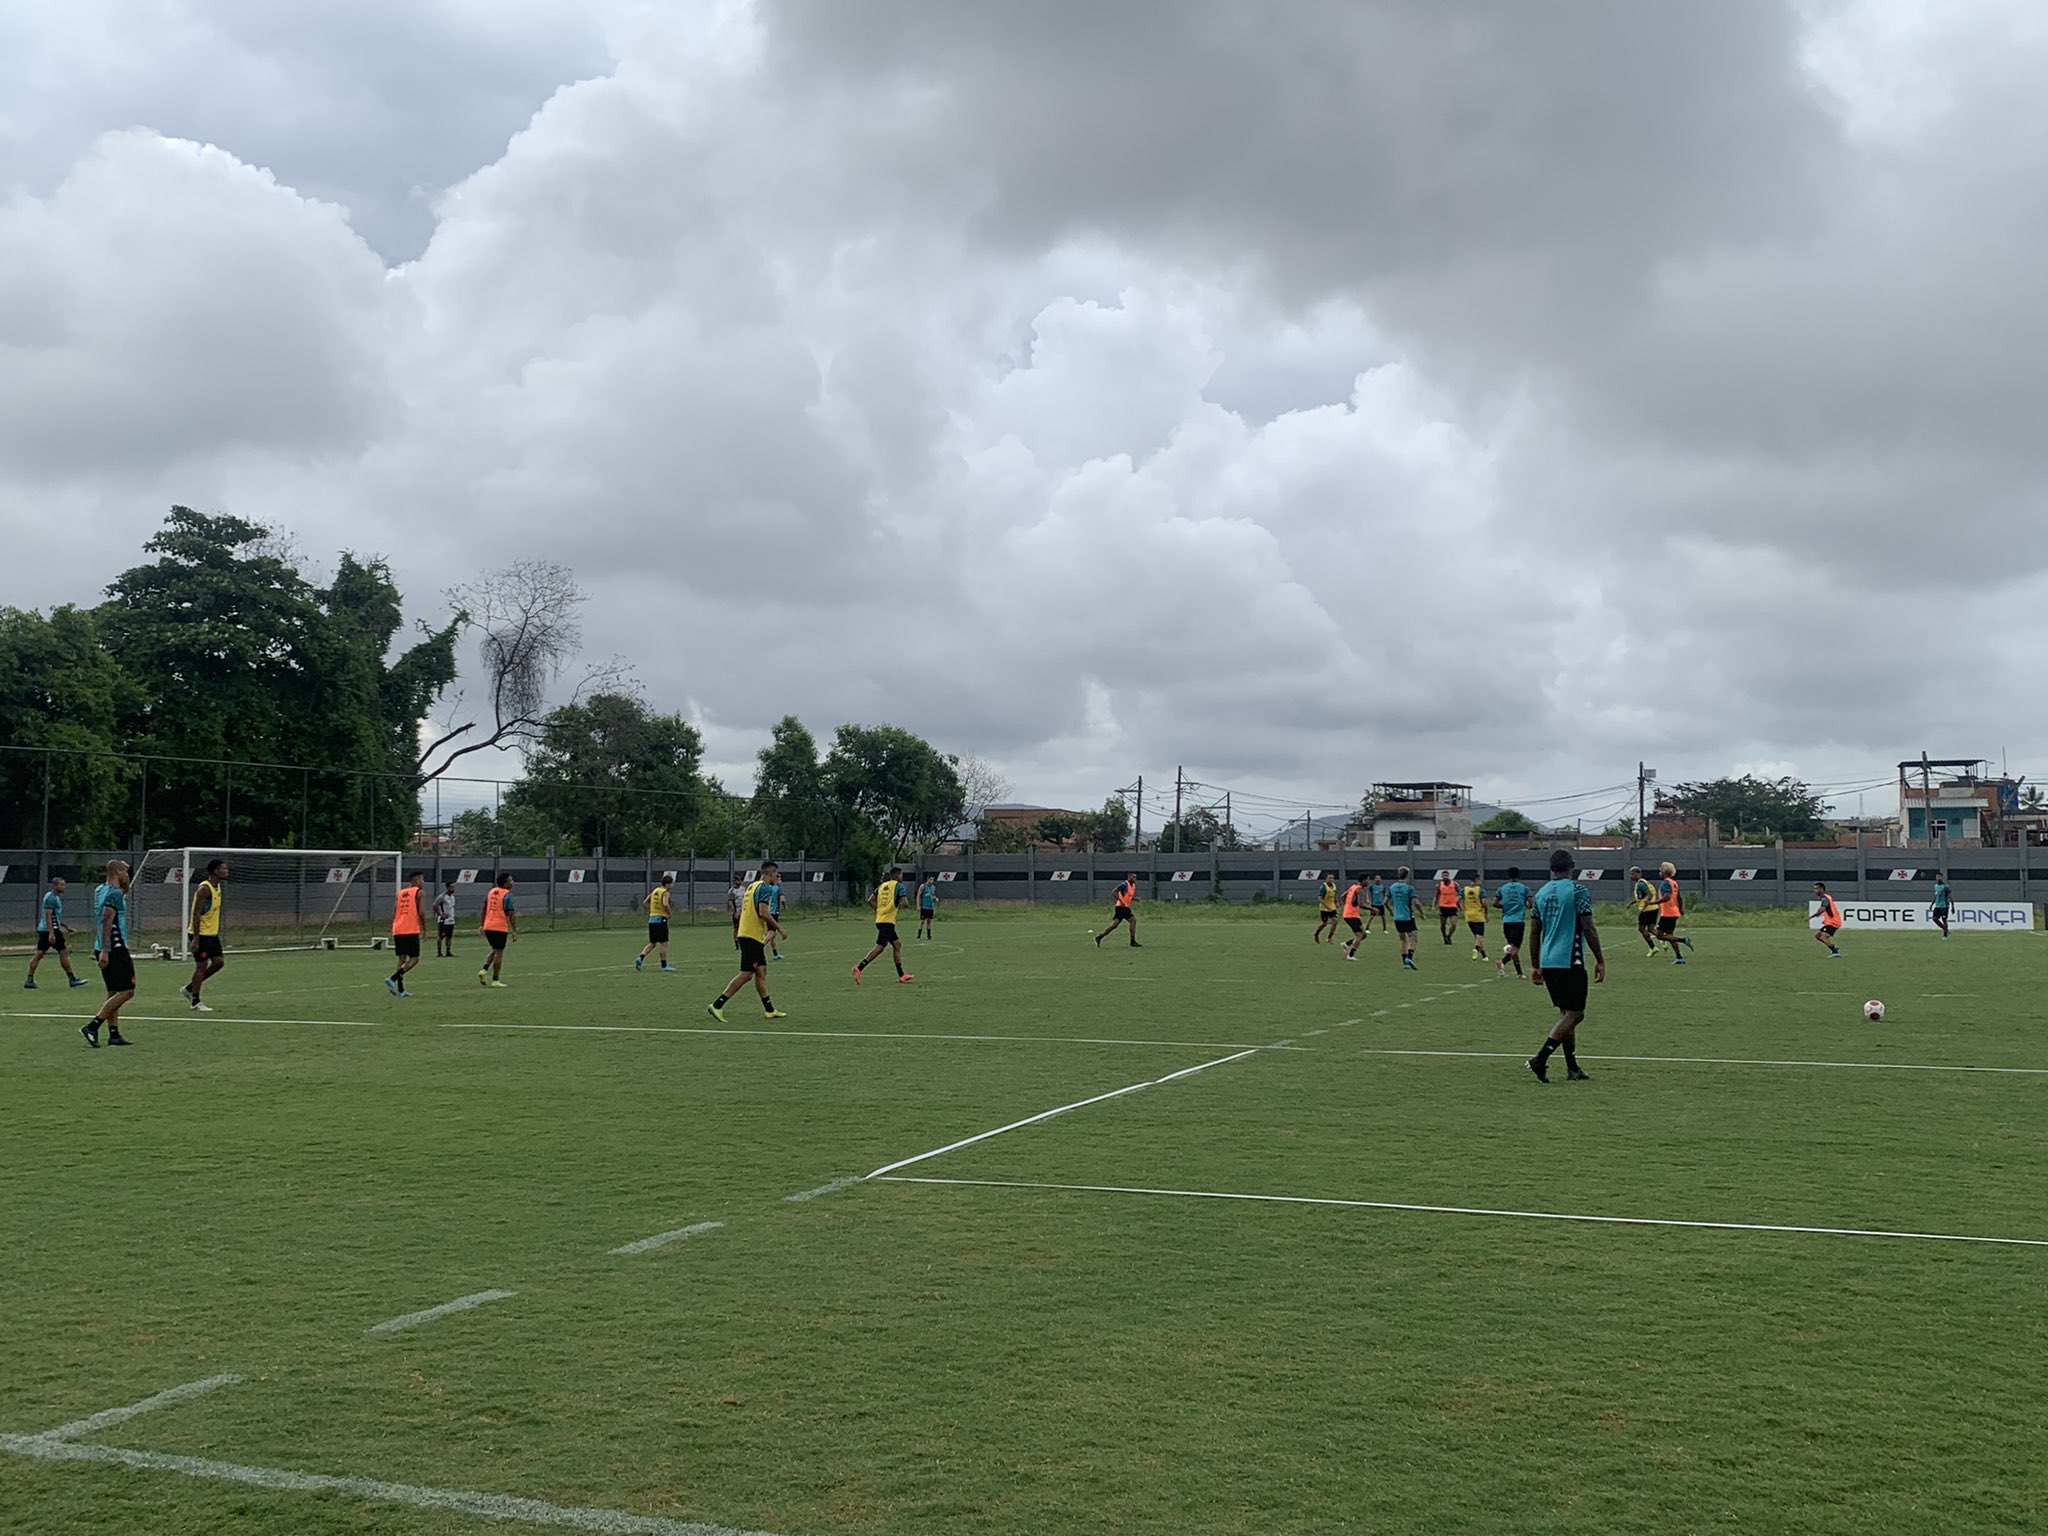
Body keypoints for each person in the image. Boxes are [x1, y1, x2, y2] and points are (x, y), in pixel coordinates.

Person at [1526, 848, 1604, 1083]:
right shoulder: (1578, 891)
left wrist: (1535, 965)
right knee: (1576, 1014)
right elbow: (1588, 927)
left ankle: (1572, 1068)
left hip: (1548, 960)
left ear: (1552, 869)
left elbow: (1534, 932)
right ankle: (1540, 1058)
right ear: (1572, 867)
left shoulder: (1541, 893)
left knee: (1565, 1013)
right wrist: (1600, 959)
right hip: (1570, 959)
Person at [709, 861, 788, 1020]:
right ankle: (717, 1005)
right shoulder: (765, 887)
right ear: (770, 874)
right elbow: (763, 912)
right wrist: (779, 928)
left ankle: (769, 1010)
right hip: (751, 936)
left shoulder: (752, 886)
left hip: (748, 934)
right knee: (746, 974)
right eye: (775, 874)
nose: (776, 877)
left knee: (761, 971)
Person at [84, 859, 135, 1047]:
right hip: (115, 947)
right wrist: (106, 950)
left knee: (113, 991)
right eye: (125, 872)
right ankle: (93, 1026)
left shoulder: (100, 890)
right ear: (118, 872)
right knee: (128, 991)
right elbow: (107, 918)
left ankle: (114, 1034)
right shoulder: (114, 893)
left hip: (103, 945)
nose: (127, 875)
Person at [855, 866, 916, 983]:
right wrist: (896, 905)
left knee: (897, 944)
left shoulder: (882, 886)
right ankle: (859, 968)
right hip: (887, 922)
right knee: (880, 947)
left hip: (880, 920)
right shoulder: (899, 886)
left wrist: (879, 910)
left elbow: (870, 900)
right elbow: (905, 903)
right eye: (901, 875)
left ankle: (902, 975)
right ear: (897, 876)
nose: (902, 877)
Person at [25, 876, 87, 990]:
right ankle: (72, 979)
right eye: (62, 885)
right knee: (63, 953)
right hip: (50, 930)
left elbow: (55, 917)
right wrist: (52, 933)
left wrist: (66, 927)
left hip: (46, 930)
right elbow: (48, 916)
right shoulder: (51, 898)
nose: (64, 887)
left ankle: (29, 979)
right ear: (54, 886)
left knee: (39, 955)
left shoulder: (52, 897)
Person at [183, 857, 227, 1013]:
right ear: (215, 871)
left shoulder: (217, 887)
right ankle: (195, 1000)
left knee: (219, 962)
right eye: (223, 868)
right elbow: (196, 914)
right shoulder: (204, 889)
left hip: (211, 933)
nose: (226, 871)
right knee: (201, 966)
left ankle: (190, 988)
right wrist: (195, 938)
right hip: (201, 934)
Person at [386, 872, 425, 997]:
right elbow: (422, 912)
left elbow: (394, 911)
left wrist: (394, 926)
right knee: (415, 958)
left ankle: (401, 990)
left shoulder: (400, 893)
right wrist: (424, 929)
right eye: (422, 880)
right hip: (410, 929)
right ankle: (393, 978)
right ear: (416, 881)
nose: (423, 882)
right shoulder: (420, 893)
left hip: (398, 928)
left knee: (402, 958)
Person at [478, 873, 518, 987]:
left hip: (488, 926)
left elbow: (484, 908)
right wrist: (514, 930)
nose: (512, 882)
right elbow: (511, 913)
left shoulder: (491, 892)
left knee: (496, 949)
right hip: (499, 927)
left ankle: (484, 970)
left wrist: (482, 925)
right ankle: (495, 980)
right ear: (505, 883)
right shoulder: (508, 895)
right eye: (510, 880)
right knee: (499, 953)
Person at [1493, 867, 1532, 979]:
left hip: (1506, 921)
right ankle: (1503, 962)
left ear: (1508, 876)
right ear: (1519, 875)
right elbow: (1530, 904)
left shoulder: (1502, 888)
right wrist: (1524, 906)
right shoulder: (1524, 888)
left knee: (1513, 947)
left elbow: (1495, 903)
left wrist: (1505, 907)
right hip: (1518, 921)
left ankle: (1519, 973)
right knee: (1515, 948)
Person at [1654, 861, 1694, 964]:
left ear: (1665, 872)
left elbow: (1667, 897)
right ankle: (1679, 957)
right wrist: (1681, 909)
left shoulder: (1666, 883)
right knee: (1670, 935)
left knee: (1659, 935)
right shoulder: (1674, 883)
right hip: (1674, 912)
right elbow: (1679, 898)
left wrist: (1653, 902)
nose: (1659, 872)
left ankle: (1683, 940)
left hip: (1667, 913)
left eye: (1660, 870)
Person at [637, 874, 676, 972]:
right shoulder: (665, 893)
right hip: (661, 919)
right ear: (667, 884)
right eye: (672, 883)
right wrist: (669, 913)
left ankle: (640, 958)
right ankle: (664, 966)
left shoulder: (655, 891)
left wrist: (652, 911)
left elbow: (645, 902)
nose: (673, 885)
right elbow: (665, 904)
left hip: (652, 919)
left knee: (653, 943)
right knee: (663, 943)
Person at [1094, 873, 1142, 948]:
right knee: (1121, 923)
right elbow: (1114, 892)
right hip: (1121, 907)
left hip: (1125, 907)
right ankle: (1132, 942)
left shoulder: (1133, 886)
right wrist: (1121, 900)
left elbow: (1127, 895)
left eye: (1135, 877)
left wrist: (1134, 899)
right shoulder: (1124, 884)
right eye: (1133, 877)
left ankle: (1099, 937)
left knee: (1125, 922)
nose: (1135, 879)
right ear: (1129, 878)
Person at [1388, 866, 1420, 971]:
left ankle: (1404, 963)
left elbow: (1385, 902)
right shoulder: (1409, 888)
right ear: (1407, 875)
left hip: (1397, 917)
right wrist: (1422, 912)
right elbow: (1416, 902)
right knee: (1413, 937)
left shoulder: (1392, 887)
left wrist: (1392, 911)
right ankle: (1409, 958)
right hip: (1407, 917)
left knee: (1402, 939)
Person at [1628, 867, 1659, 955]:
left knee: (1641, 928)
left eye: (1633, 874)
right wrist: (1631, 903)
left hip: (1647, 910)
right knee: (1651, 929)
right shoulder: (1644, 882)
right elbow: (1641, 897)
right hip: (1654, 908)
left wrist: (1645, 907)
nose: (1631, 876)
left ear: (1638, 874)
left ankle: (1653, 947)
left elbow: (1649, 894)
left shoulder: (1641, 884)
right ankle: (1663, 938)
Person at [1460, 877, 1489, 962]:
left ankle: (1484, 955)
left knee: (1477, 937)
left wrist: (1461, 908)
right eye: (1479, 880)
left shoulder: (1464, 890)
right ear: (1476, 881)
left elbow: (1457, 900)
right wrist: (1486, 913)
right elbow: (1484, 903)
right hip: (1478, 915)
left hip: (1469, 915)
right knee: (1480, 936)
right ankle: (1476, 949)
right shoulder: (1480, 890)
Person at [1812, 882, 1844, 958]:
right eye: (1814, 889)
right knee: (1817, 935)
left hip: (1833, 922)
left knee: (1823, 937)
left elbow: (1823, 909)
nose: (1815, 891)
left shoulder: (1825, 898)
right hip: (1831, 921)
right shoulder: (1827, 897)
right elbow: (1829, 910)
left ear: (1821, 889)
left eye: (1816, 889)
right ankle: (1833, 947)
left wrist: (1813, 916)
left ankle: (1835, 952)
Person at [1340, 877, 1368, 959]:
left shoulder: (1353, 887)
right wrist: (1372, 908)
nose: (1368, 882)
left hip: (1352, 915)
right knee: (1359, 936)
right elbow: (1361, 904)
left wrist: (1347, 906)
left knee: (1364, 935)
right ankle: (1350, 955)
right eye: (1367, 880)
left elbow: (1342, 896)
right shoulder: (1359, 889)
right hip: (1351, 916)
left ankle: (1346, 944)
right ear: (1363, 880)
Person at [433, 881, 458, 958]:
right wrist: (440, 914)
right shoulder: (442, 896)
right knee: (441, 936)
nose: (453, 889)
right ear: (447, 887)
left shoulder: (452, 897)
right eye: (451, 887)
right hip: (444, 921)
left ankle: (448, 951)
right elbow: (435, 904)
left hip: (451, 920)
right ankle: (439, 952)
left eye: (453, 887)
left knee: (449, 937)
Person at [1435, 873, 1461, 945]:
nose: (1445, 877)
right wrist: (1434, 905)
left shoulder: (1454, 884)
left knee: (1454, 924)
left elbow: (1460, 894)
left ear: (1449, 876)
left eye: (1446, 875)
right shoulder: (1440, 885)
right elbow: (1437, 895)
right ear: (1441, 877)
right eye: (1444, 876)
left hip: (1453, 906)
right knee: (1443, 924)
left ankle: (1449, 936)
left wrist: (1459, 904)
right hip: (1443, 906)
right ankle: (1444, 936)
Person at [1313, 876, 1340, 945]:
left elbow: (1334, 895)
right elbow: (1320, 899)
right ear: (1326, 879)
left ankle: (1329, 937)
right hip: (1324, 908)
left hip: (1332, 907)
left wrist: (1336, 902)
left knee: (1335, 921)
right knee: (1324, 923)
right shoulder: (1323, 887)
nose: (1331, 879)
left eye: (1332, 878)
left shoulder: (1334, 886)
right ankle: (1316, 934)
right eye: (1329, 878)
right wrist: (1327, 907)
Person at [727, 872, 748, 952]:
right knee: (736, 928)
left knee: (744, 927)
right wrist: (735, 912)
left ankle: (744, 942)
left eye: (740, 880)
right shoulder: (732, 891)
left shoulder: (743, 889)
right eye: (737, 880)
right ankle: (737, 944)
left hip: (744, 911)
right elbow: (730, 902)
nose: (739, 882)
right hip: (737, 912)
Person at [917, 874, 938, 939]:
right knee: (922, 921)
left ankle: (929, 936)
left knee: (929, 921)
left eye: (933, 880)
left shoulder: (933, 887)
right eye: (931, 879)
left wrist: (935, 898)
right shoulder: (923, 886)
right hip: (924, 907)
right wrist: (918, 905)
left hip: (931, 907)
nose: (932, 881)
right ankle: (919, 936)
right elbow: (918, 896)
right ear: (928, 879)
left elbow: (932, 895)